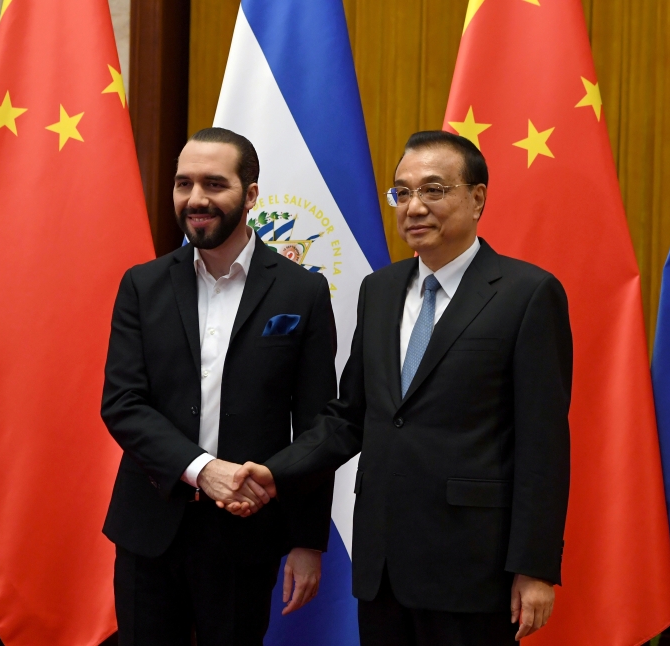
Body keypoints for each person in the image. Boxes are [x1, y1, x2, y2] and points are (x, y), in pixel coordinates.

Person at [232, 130, 573, 645]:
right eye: (402, 192)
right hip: (384, 565)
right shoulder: (381, 290)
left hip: (473, 567)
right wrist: (274, 471)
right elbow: (349, 417)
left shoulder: (528, 294)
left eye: (433, 190)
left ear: (477, 197)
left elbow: (543, 445)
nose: (414, 207)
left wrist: (535, 567)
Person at [100, 127, 337, 645]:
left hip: (246, 536)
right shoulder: (143, 284)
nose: (196, 199)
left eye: (214, 184)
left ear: (251, 194)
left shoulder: (303, 290)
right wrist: (203, 470)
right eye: (184, 184)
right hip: (149, 528)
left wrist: (306, 541)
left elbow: (319, 425)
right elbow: (123, 403)